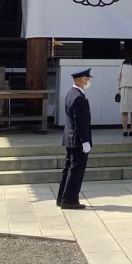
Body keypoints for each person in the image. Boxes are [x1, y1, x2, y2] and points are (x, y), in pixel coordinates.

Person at [56, 68, 93, 210]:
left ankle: (62, 198)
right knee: (76, 170)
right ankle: (70, 200)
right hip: (78, 139)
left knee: (69, 169)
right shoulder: (78, 96)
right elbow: (80, 121)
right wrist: (85, 141)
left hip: (70, 138)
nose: (88, 81)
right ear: (81, 79)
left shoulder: (71, 93)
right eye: (87, 78)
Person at [117, 56, 132, 137]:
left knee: (124, 112)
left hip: (124, 90)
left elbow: (118, 77)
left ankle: (125, 130)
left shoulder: (122, 66)